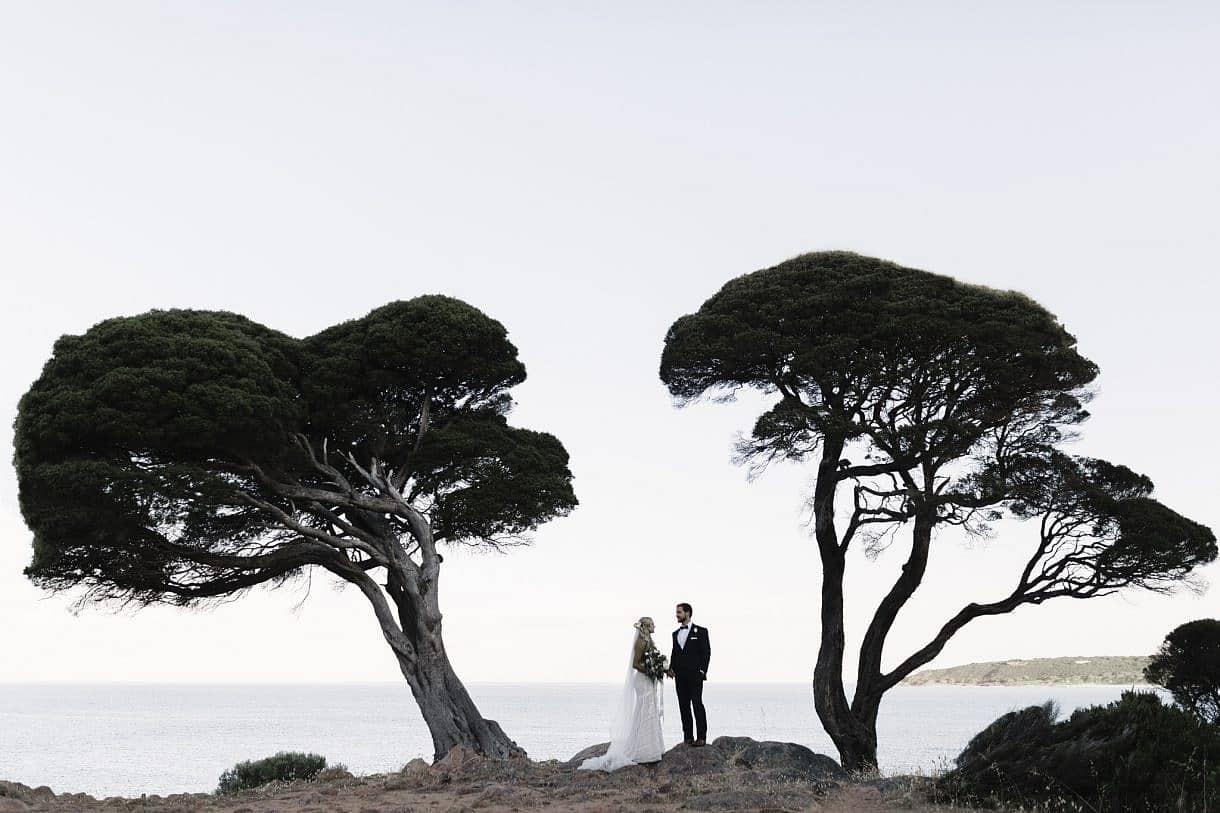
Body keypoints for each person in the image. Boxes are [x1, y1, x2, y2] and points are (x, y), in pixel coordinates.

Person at [578, 616, 665, 771]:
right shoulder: (641, 642)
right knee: (644, 711)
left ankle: (651, 748)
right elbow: (635, 664)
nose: (654, 626)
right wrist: (651, 670)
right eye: (652, 624)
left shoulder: (648, 641)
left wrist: (657, 668)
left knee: (649, 711)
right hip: (643, 680)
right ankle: (641, 749)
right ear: (646, 626)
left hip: (648, 680)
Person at [667, 602, 710, 746]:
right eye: (677, 612)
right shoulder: (675, 634)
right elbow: (675, 653)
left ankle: (701, 737)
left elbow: (706, 652)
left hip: (695, 675)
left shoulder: (701, 631)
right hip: (680, 676)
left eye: (679, 612)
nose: (677, 615)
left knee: (697, 704)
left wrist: (702, 671)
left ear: (687, 613)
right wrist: (671, 668)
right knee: (683, 706)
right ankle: (688, 737)